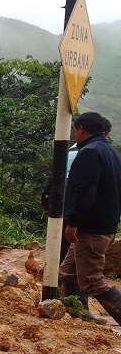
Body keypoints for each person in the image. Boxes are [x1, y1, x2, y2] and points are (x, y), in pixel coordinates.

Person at [59, 111, 121, 325]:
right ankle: (80, 318)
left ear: (81, 129)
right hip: (104, 225)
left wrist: (73, 223)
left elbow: (85, 191)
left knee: (92, 282)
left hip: (91, 229)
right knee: (68, 272)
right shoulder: (111, 152)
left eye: (75, 131)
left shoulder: (89, 153)